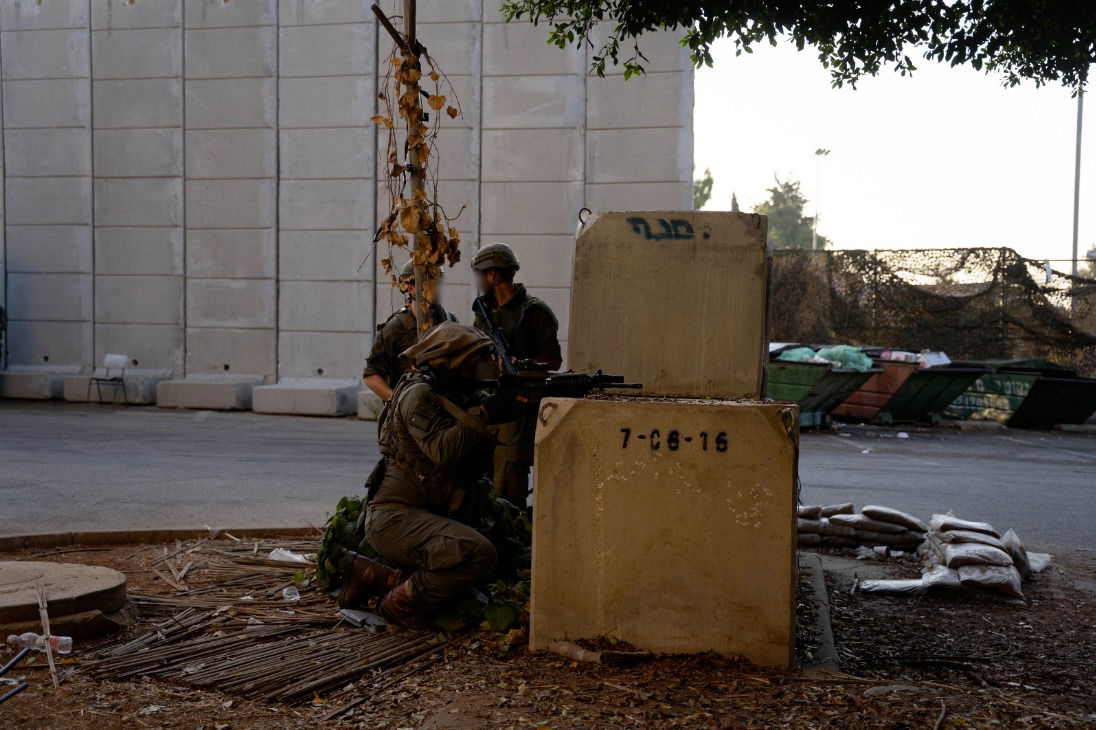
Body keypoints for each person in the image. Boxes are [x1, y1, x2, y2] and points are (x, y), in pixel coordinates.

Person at [339, 322, 514, 630]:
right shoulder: (418, 395)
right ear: (453, 364)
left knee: (500, 553)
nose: (482, 367)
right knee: (478, 554)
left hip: (422, 513)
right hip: (395, 518)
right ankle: (400, 601)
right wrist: (487, 412)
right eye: (475, 361)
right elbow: (443, 450)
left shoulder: (453, 392)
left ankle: (377, 576)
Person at [470, 243, 562, 507]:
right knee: (480, 479)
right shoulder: (484, 310)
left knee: (508, 484)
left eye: (481, 273)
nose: (478, 279)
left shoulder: (534, 311)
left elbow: (553, 359)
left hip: (518, 406)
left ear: (493, 274)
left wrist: (522, 363)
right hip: (488, 401)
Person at [363, 260, 458, 401]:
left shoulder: (450, 322)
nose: (436, 288)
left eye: (438, 282)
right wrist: (398, 402)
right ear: (410, 288)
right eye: (429, 283)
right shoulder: (394, 328)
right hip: (411, 412)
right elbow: (371, 376)